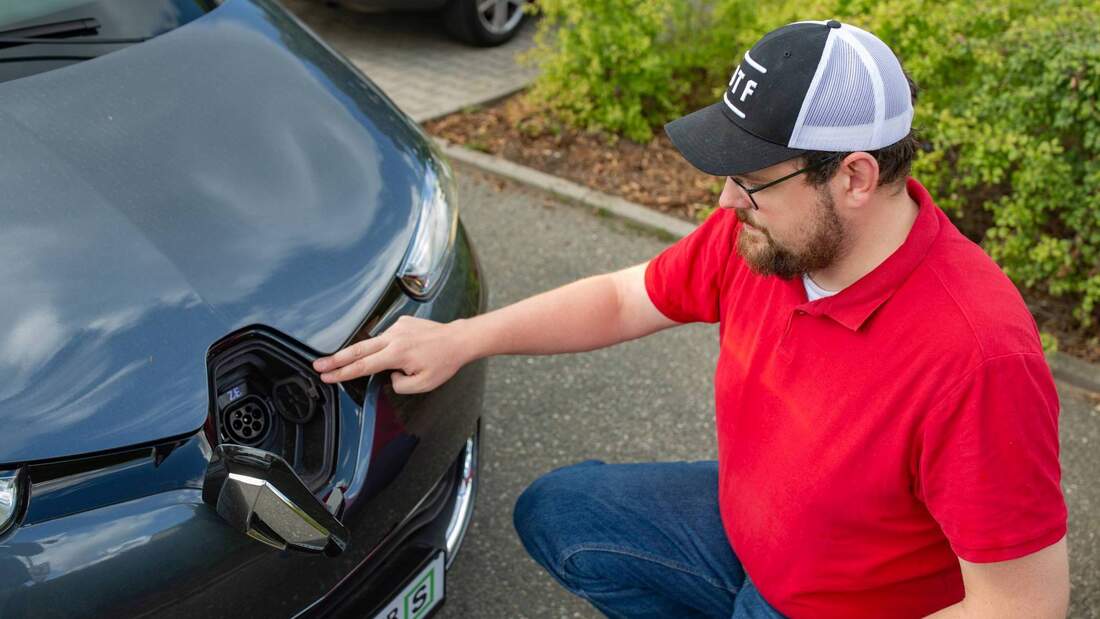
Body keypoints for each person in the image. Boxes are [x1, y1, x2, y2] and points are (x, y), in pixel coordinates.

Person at [312, 19, 1069, 619]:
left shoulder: (977, 356)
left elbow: (1023, 603)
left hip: (848, 604)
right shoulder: (765, 239)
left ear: (855, 176)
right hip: (747, 535)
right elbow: (623, 297)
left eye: (750, 180)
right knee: (559, 512)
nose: (724, 204)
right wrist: (460, 338)